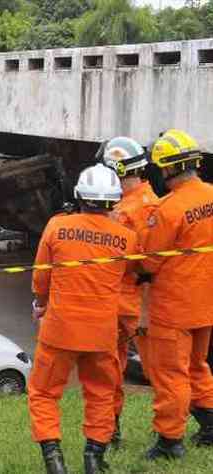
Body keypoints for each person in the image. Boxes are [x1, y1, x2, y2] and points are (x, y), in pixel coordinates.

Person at [28, 164, 138, 474]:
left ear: (78, 195)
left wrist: (40, 303)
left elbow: (41, 278)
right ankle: (94, 458)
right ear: (114, 200)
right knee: (101, 393)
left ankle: (54, 460)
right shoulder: (126, 239)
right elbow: (132, 273)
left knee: (44, 393)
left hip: (59, 330)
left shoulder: (55, 226)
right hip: (102, 333)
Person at [139, 129, 213, 460]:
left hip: (174, 307)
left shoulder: (167, 210)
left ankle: (170, 441)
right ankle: (210, 426)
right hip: (206, 302)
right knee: (198, 365)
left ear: (167, 169)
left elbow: (150, 261)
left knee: (170, 373)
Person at [97, 136, 159, 447]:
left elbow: (147, 267)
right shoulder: (142, 202)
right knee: (117, 368)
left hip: (125, 300)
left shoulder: (133, 210)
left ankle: (114, 432)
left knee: (115, 369)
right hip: (126, 300)